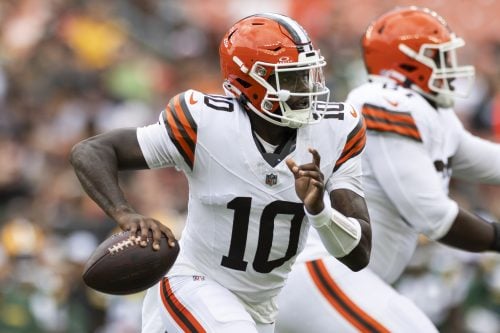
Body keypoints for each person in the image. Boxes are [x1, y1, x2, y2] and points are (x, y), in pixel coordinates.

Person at [70, 13, 373, 333]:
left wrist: (319, 211)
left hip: (260, 306)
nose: (307, 88)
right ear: (251, 82)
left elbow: (358, 255)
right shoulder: (204, 122)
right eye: (291, 79)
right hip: (194, 285)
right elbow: (91, 151)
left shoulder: (337, 130)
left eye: (307, 74)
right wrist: (125, 214)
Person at [276, 6, 500, 333]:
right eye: (438, 58)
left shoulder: (433, 115)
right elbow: (433, 217)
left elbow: (492, 162)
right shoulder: (382, 100)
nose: (449, 67)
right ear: (406, 63)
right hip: (321, 271)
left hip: (348, 279)